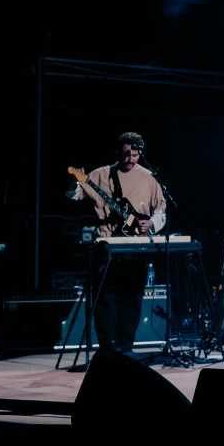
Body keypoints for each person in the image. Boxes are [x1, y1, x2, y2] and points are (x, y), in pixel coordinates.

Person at [65, 131, 166, 353]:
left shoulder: (149, 177)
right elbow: (73, 196)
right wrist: (75, 182)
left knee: (132, 296)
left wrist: (152, 223)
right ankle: (107, 347)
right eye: (126, 154)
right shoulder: (101, 174)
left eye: (135, 155)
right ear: (118, 152)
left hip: (136, 246)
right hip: (107, 244)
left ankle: (126, 345)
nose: (130, 159)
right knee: (105, 298)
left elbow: (161, 210)